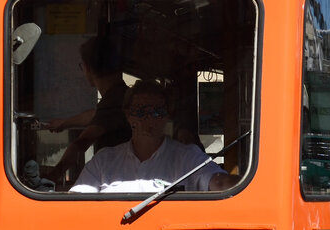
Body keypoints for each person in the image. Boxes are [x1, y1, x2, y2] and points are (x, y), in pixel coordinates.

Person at [71, 81, 236, 194]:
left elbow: (220, 183)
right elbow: (76, 203)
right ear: (128, 115)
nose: (149, 118)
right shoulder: (104, 160)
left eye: (157, 111)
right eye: (141, 111)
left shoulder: (187, 157)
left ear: (167, 115)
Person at [49, 37, 131, 179]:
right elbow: (96, 116)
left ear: (87, 68)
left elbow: (82, 142)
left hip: (117, 176)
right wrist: (64, 123)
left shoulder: (114, 100)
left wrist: (56, 172)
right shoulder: (119, 96)